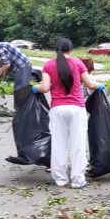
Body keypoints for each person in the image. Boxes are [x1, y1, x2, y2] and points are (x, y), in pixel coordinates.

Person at [31, 38, 104, 188]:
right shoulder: (78, 63)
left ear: (55, 49)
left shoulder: (49, 64)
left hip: (58, 109)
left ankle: (60, 179)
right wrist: (99, 86)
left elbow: (44, 88)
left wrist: (34, 88)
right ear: (70, 50)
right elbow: (89, 84)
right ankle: (78, 180)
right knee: (78, 145)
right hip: (77, 109)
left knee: (59, 144)